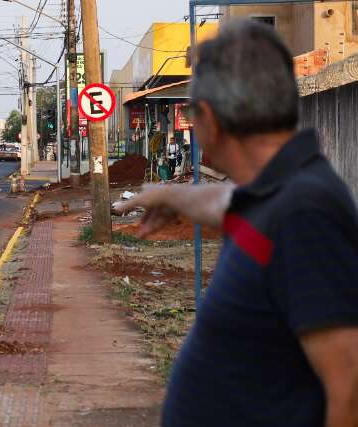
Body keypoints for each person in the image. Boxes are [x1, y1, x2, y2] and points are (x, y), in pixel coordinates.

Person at [122, 21, 358, 427]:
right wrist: (168, 195)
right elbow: (224, 202)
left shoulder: (303, 213)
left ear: (210, 121)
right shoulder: (271, 198)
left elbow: (350, 390)